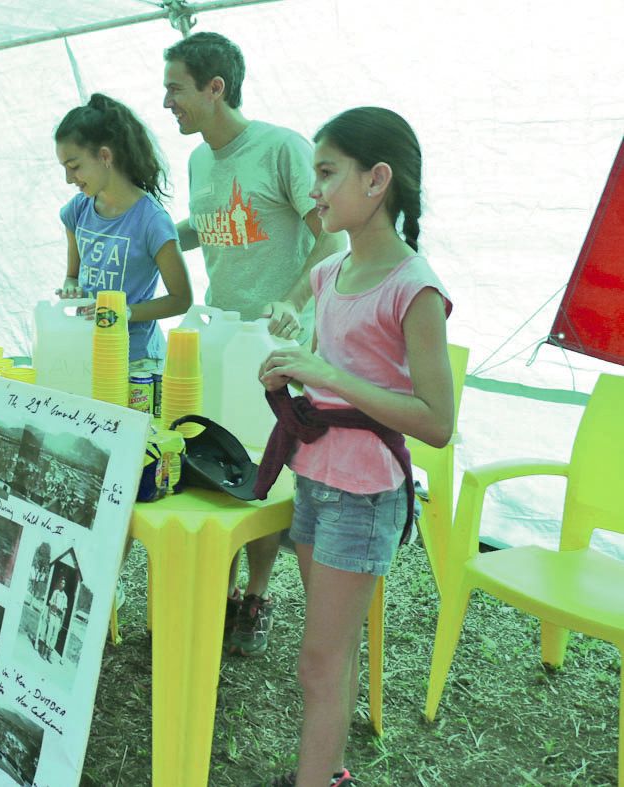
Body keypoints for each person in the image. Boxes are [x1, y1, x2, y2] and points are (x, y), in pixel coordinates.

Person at [256, 107, 453, 786]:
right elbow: (330, 382)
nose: (314, 190)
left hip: (364, 493)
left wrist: (330, 376)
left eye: (325, 172)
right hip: (314, 476)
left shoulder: (413, 287)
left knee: (317, 657)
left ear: (376, 180)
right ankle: (327, 772)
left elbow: (435, 422)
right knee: (326, 654)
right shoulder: (327, 275)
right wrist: (289, 372)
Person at [163, 32, 348, 655]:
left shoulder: (281, 149)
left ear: (215, 88)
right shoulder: (197, 162)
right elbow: (212, 227)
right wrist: (150, 235)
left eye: (176, 89)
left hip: (276, 343)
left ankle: (258, 596)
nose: (167, 102)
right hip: (221, 338)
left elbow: (333, 238)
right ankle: (221, 588)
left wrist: (294, 300)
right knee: (218, 459)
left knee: (265, 467)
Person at [54, 93, 193, 365]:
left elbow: (181, 299)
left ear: (105, 156)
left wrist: (122, 312)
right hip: (89, 352)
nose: (69, 178)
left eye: (74, 167)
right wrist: (70, 288)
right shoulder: (77, 210)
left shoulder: (152, 220)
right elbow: (72, 276)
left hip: (137, 361)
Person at [38, 576, 69, 660]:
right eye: (61, 583)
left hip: (58, 617)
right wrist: (52, 605)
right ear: (59, 584)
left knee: (55, 634)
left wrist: (62, 622)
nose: (62, 584)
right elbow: (50, 601)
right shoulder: (55, 592)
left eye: (64, 583)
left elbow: (64, 611)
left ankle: (49, 654)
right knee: (49, 631)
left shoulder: (65, 597)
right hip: (52, 614)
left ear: (65, 585)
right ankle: (44, 652)